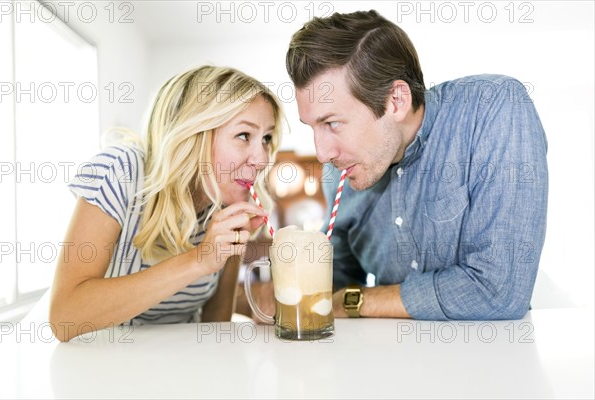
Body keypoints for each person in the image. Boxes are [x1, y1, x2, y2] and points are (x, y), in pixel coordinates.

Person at [286, 10, 548, 320]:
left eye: (332, 123)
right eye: (312, 127)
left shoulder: (496, 109)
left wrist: (358, 302)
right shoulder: (341, 168)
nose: (322, 153)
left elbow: (498, 292)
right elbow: (335, 286)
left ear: (396, 100)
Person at [49, 66, 284, 341]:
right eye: (244, 135)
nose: (262, 159)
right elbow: (65, 316)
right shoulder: (120, 171)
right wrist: (198, 260)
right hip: (105, 370)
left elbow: (214, 326)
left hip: (178, 372)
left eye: (266, 138)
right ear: (194, 134)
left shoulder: (225, 206)